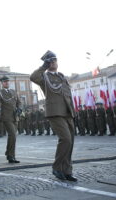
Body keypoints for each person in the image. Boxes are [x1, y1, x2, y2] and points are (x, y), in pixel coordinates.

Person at [30, 50, 77, 181]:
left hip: (67, 112)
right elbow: (33, 77)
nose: (53, 63)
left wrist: (73, 111)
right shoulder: (44, 78)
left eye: (54, 60)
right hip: (55, 112)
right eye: (50, 61)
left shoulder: (62, 77)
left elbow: (68, 95)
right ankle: (57, 167)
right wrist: (43, 67)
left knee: (70, 142)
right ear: (47, 63)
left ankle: (67, 170)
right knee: (66, 139)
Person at [0, 75, 21, 164]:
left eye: (7, 81)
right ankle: (10, 155)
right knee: (12, 135)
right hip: (6, 117)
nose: (6, 83)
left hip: (15, 117)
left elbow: (19, 102)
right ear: (2, 83)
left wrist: (19, 108)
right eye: (4, 82)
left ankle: (10, 154)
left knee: (13, 136)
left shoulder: (14, 92)